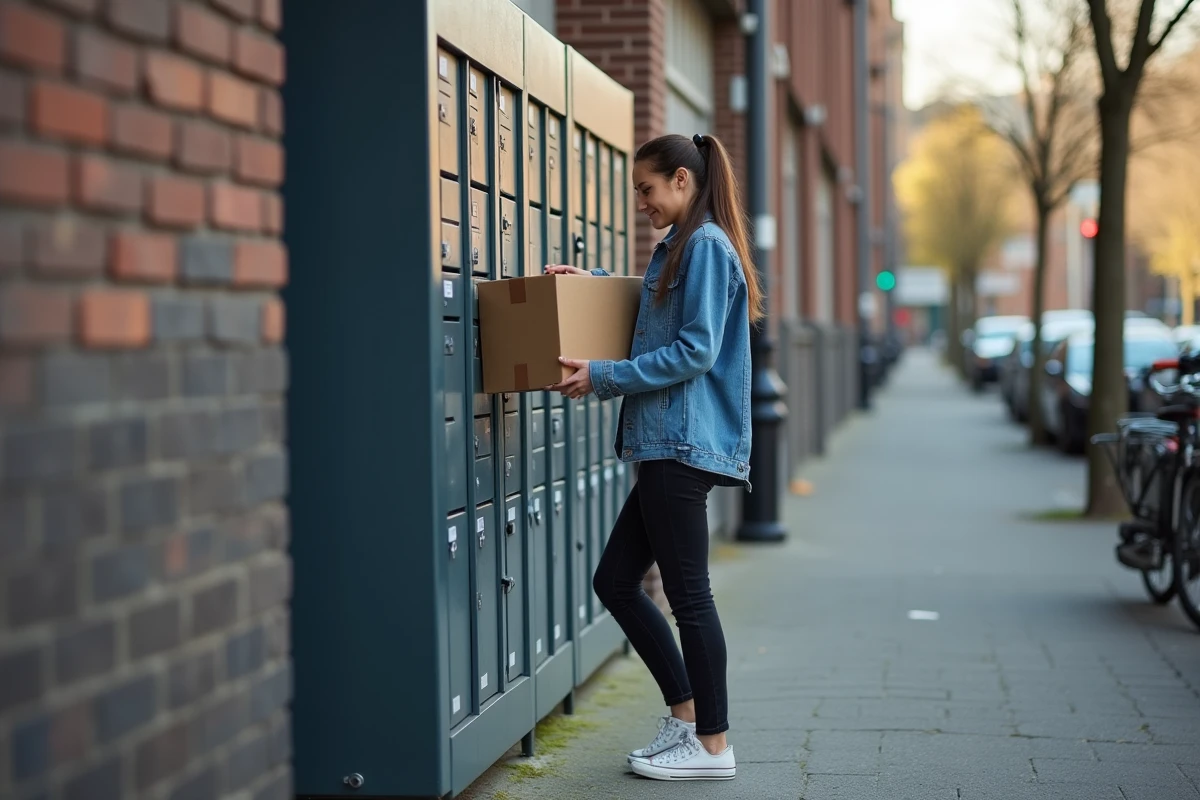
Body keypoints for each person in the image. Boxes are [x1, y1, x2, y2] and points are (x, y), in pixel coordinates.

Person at [544, 132, 763, 781]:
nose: (640, 201)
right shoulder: (683, 248)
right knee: (616, 581)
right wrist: (591, 288)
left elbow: (694, 348)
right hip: (666, 441)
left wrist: (605, 376)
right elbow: (655, 314)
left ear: (681, 182)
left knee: (688, 595)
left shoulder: (705, 246)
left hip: (682, 442)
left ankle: (712, 745)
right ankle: (688, 718)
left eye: (645, 188)